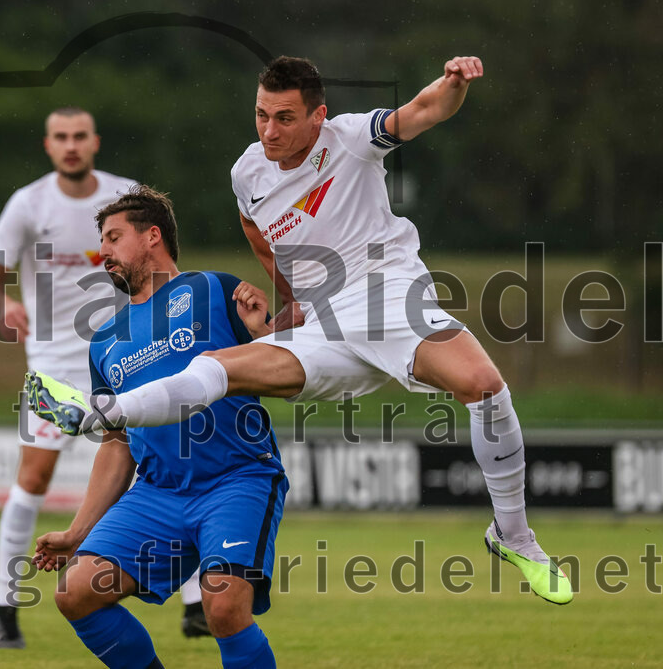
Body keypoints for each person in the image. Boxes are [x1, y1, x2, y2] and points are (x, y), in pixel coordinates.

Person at [28, 58, 574, 605]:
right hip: (324, 326)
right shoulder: (248, 172)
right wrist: (290, 296)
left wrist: (454, 84)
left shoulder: (354, 138)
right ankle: (101, 414)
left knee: (484, 386)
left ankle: (513, 534)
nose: (269, 131)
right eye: (261, 116)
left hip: (388, 301)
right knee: (220, 366)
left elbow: (425, 109)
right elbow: (254, 225)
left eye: (285, 118)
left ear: (319, 117)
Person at [28, 186, 287, 669]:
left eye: (112, 237)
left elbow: (290, 379)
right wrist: (79, 530)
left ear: (152, 236)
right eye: (100, 242)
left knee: (224, 607)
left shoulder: (213, 289)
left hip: (236, 481)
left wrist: (263, 335)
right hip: (158, 493)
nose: (101, 252)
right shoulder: (104, 340)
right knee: (76, 593)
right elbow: (117, 442)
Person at [0, 108, 207, 649]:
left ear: (95, 142)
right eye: (61, 137)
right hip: (55, 365)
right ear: (48, 145)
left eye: (79, 136)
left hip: (131, 353)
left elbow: (164, 259)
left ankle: (197, 604)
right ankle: (5, 606)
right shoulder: (28, 203)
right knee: (32, 480)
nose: (71, 145)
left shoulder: (124, 197)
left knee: (175, 465)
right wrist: (3, 303)